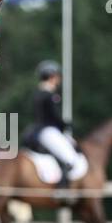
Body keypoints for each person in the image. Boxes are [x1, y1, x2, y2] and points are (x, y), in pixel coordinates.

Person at [22, 60, 79, 188]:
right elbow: (54, 117)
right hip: (48, 131)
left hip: (37, 130)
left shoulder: (38, 93)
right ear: (53, 76)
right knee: (69, 158)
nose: (58, 79)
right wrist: (67, 125)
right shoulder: (49, 95)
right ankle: (63, 189)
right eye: (57, 76)